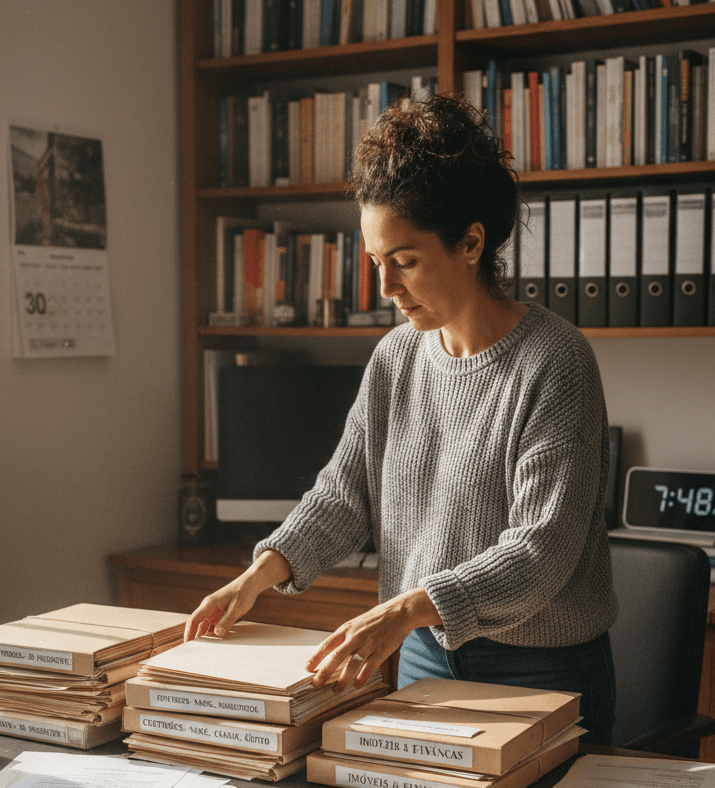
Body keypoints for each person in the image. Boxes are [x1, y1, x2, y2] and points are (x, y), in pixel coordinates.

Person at [185, 94, 619, 744]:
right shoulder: (396, 356)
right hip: (422, 652)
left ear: (471, 242)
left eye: (405, 261)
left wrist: (411, 607)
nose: (385, 287)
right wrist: (261, 574)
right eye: (374, 261)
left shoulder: (556, 361)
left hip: (539, 669)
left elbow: (541, 551)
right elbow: (344, 493)